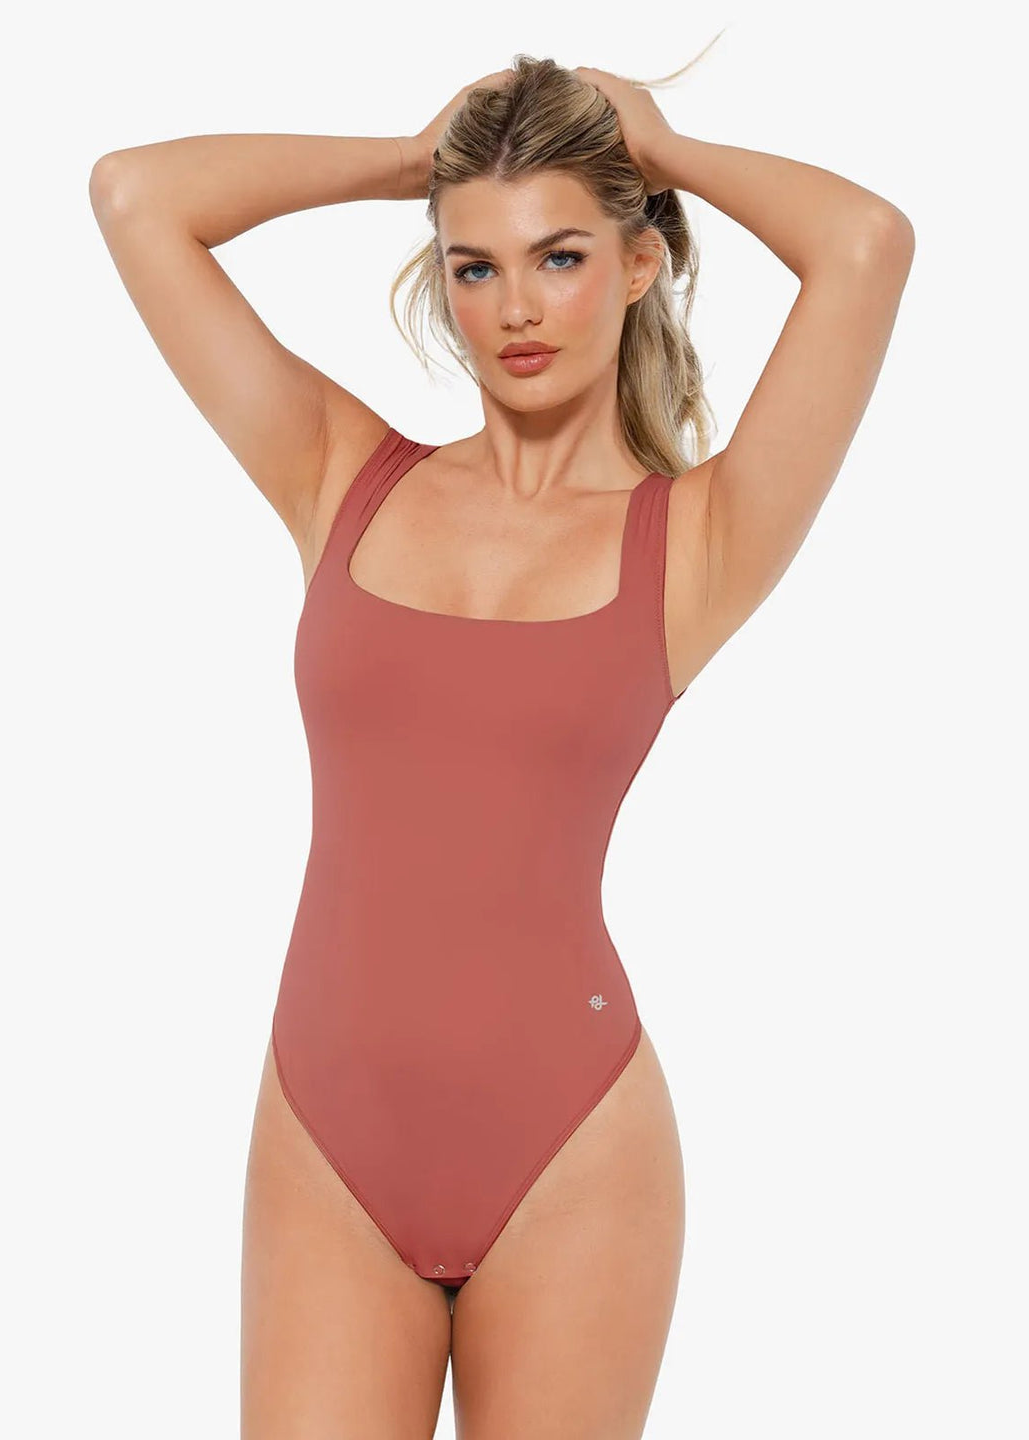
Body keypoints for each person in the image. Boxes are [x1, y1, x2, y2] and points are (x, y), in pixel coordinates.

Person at [89, 50, 914, 1439]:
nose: (516, 308)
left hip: (571, 1156)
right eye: (474, 267)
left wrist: (662, 149)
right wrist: (414, 159)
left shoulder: (695, 541)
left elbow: (867, 244)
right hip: (327, 1137)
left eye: (561, 256)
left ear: (641, 264)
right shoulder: (343, 474)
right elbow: (133, 197)